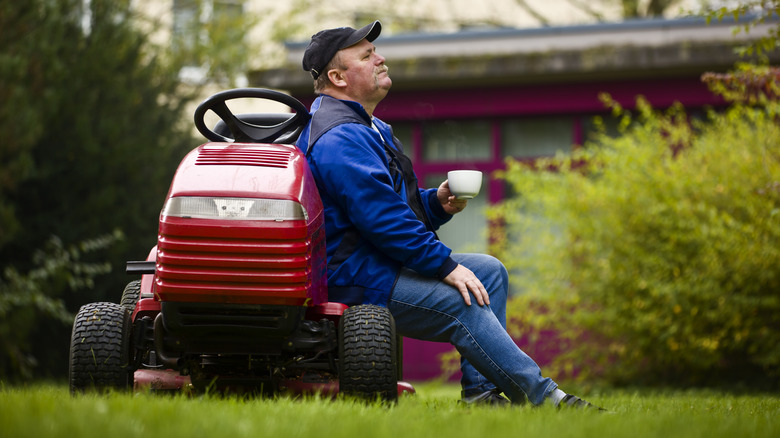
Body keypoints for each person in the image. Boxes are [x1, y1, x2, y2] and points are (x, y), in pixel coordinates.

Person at [295, 20, 603, 410]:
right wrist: (444, 266)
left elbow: (385, 209)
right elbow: (382, 221)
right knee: (463, 298)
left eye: (376, 51)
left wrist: (435, 204)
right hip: (356, 277)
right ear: (338, 77)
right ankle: (548, 400)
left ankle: (481, 395)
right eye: (367, 55)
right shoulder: (340, 136)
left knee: (488, 271)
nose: (381, 58)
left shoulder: (367, 127)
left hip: (376, 262)